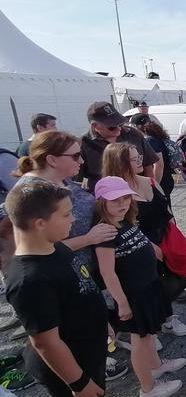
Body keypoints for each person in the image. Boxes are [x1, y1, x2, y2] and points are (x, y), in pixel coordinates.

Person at [4, 179, 144, 397]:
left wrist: (102, 320)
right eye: (66, 214)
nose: (75, 218)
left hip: (85, 349)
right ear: (39, 222)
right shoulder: (30, 278)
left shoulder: (55, 248)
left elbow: (82, 286)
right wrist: (78, 382)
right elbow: (45, 342)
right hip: (67, 364)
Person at [12, 131, 127, 383]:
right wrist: (89, 239)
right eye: (76, 155)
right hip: (64, 278)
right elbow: (35, 249)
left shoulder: (63, 183)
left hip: (84, 270)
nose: (82, 161)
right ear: (52, 159)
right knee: (70, 336)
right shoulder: (33, 193)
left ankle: (98, 360)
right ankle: (81, 384)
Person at [93, 177, 185, 397]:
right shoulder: (105, 232)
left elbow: (141, 242)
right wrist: (122, 302)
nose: (123, 204)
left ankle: (156, 366)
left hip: (149, 287)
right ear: (101, 202)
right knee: (140, 341)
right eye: (115, 200)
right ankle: (148, 388)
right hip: (134, 295)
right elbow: (107, 272)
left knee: (150, 333)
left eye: (125, 198)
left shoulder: (124, 222)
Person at [102, 142, 186, 326]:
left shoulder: (150, 181)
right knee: (146, 287)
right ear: (119, 163)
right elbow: (124, 226)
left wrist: (175, 239)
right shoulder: (115, 194)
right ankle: (148, 326)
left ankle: (167, 317)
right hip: (138, 245)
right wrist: (151, 248)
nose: (139, 162)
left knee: (167, 281)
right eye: (133, 159)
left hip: (164, 239)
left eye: (139, 157)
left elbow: (167, 212)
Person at [79, 102, 158, 191]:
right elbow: (78, 178)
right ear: (95, 126)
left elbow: (148, 165)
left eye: (120, 123)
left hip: (138, 192)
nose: (119, 128)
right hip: (107, 198)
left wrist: (151, 189)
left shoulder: (133, 134)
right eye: (112, 126)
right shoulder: (84, 144)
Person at [129, 114, 175, 202]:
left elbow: (159, 164)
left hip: (161, 180)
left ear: (137, 126)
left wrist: (154, 184)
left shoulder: (150, 140)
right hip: (167, 177)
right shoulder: (156, 136)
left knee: (163, 210)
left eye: (131, 125)